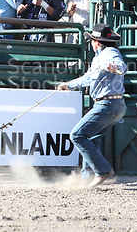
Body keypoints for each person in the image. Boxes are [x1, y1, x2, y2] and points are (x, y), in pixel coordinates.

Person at [57, 23, 127, 187]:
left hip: (107, 103)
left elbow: (121, 66)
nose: (91, 43)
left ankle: (102, 171)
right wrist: (69, 84)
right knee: (91, 137)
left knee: (77, 135)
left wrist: (115, 67)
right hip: (115, 104)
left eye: (92, 40)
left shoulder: (110, 53)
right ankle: (87, 176)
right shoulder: (99, 57)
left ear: (97, 42)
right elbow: (88, 78)